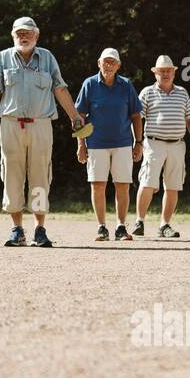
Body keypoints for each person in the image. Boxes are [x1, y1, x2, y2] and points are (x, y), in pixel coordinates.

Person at [0, 16, 85, 247]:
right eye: (19, 33)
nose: (23, 37)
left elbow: (59, 88)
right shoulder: (2, 58)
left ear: (37, 35)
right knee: (11, 174)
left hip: (41, 124)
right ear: (13, 35)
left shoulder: (46, 58)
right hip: (11, 123)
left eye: (27, 33)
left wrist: (75, 116)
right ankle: (17, 230)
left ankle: (39, 229)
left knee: (40, 176)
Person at [74, 48, 143, 241]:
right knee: (97, 185)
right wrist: (81, 144)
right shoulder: (89, 84)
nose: (109, 65)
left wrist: (139, 142)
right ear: (99, 63)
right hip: (96, 143)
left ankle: (121, 226)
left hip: (123, 142)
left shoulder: (126, 85)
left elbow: (136, 115)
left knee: (122, 185)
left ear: (119, 65)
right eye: (106, 61)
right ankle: (101, 227)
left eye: (113, 62)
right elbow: (80, 115)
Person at [133, 55, 190, 239]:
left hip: (177, 144)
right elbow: (137, 118)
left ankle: (165, 225)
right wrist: (137, 141)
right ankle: (139, 221)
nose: (165, 74)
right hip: (153, 143)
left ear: (174, 72)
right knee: (147, 182)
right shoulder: (147, 92)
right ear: (155, 73)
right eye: (161, 71)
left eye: (168, 71)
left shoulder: (182, 92)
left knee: (173, 186)